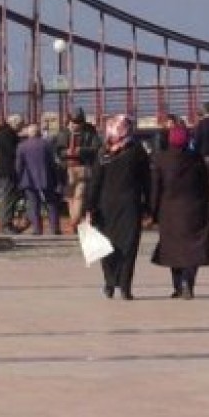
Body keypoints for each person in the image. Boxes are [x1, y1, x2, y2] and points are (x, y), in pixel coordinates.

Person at [83, 115, 151, 300]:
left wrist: (89, 207)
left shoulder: (103, 153)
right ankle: (125, 286)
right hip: (130, 205)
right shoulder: (137, 151)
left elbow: (95, 182)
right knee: (129, 247)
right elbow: (147, 181)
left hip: (106, 206)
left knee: (106, 246)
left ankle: (109, 283)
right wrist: (150, 207)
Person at [150, 123, 209, 300]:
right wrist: (206, 208)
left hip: (169, 212)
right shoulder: (197, 159)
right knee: (193, 250)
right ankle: (188, 282)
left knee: (173, 250)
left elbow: (155, 189)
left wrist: (152, 212)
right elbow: (205, 186)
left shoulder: (161, 159)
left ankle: (178, 286)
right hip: (195, 210)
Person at [55, 108, 102, 227]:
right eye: (74, 122)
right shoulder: (63, 133)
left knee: (79, 195)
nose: (76, 125)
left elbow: (96, 148)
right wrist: (66, 153)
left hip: (83, 167)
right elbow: (58, 151)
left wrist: (81, 151)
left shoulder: (90, 132)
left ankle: (74, 221)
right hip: (67, 169)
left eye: (79, 122)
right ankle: (74, 221)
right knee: (70, 197)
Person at [15, 123, 61, 235]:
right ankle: (54, 228)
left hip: (29, 178)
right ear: (39, 132)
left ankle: (37, 228)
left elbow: (19, 165)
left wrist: (18, 178)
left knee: (33, 204)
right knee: (51, 204)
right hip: (46, 177)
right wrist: (56, 177)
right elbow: (52, 163)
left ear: (29, 133)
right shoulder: (47, 145)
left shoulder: (22, 146)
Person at [0, 114, 24, 234]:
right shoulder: (7, 135)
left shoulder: (4, 133)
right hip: (8, 170)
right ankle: (5, 224)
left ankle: (7, 223)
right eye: (20, 126)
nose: (21, 128)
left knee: (10, 197)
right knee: (8, 198)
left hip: (6, 170)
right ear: (15, 124)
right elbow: (13, 151)